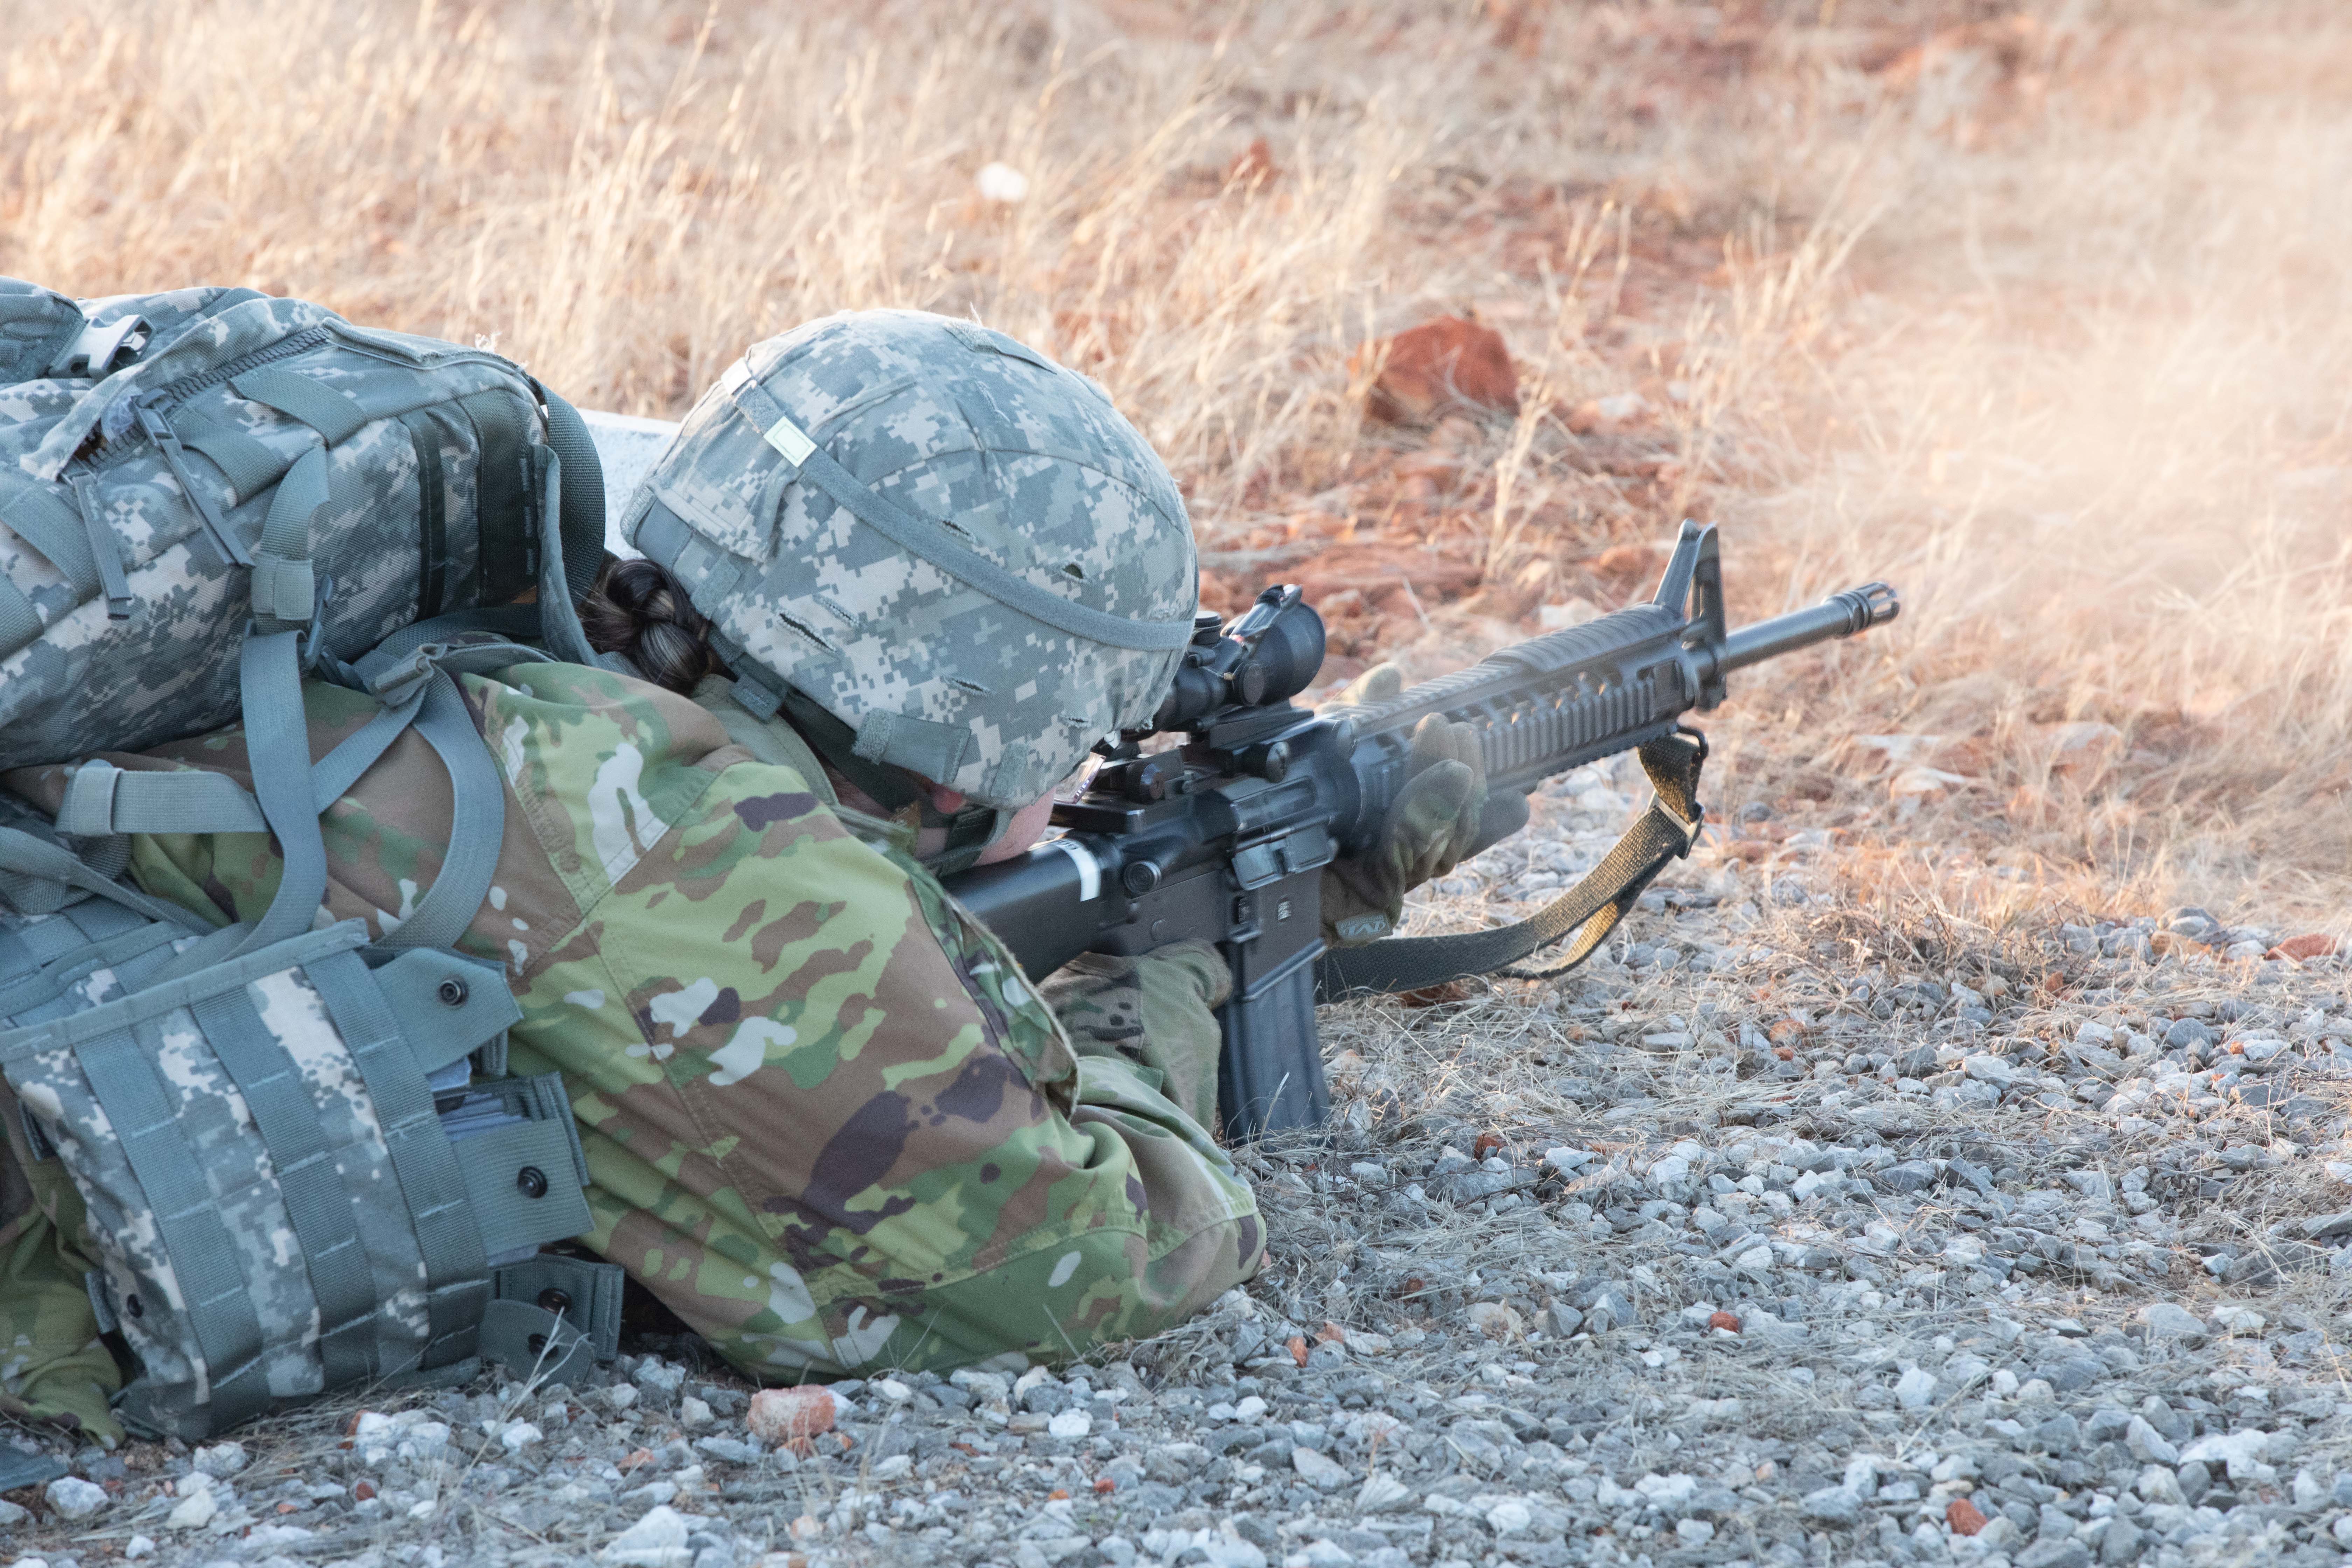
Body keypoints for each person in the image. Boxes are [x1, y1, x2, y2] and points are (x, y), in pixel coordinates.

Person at [0, 309, 1484, 1430]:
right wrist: (1161, 971)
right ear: (964, 738)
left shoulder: (509, 665)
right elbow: (1086, 1256)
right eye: (1076, 743)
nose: (1078, 779)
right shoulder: (699, 867)